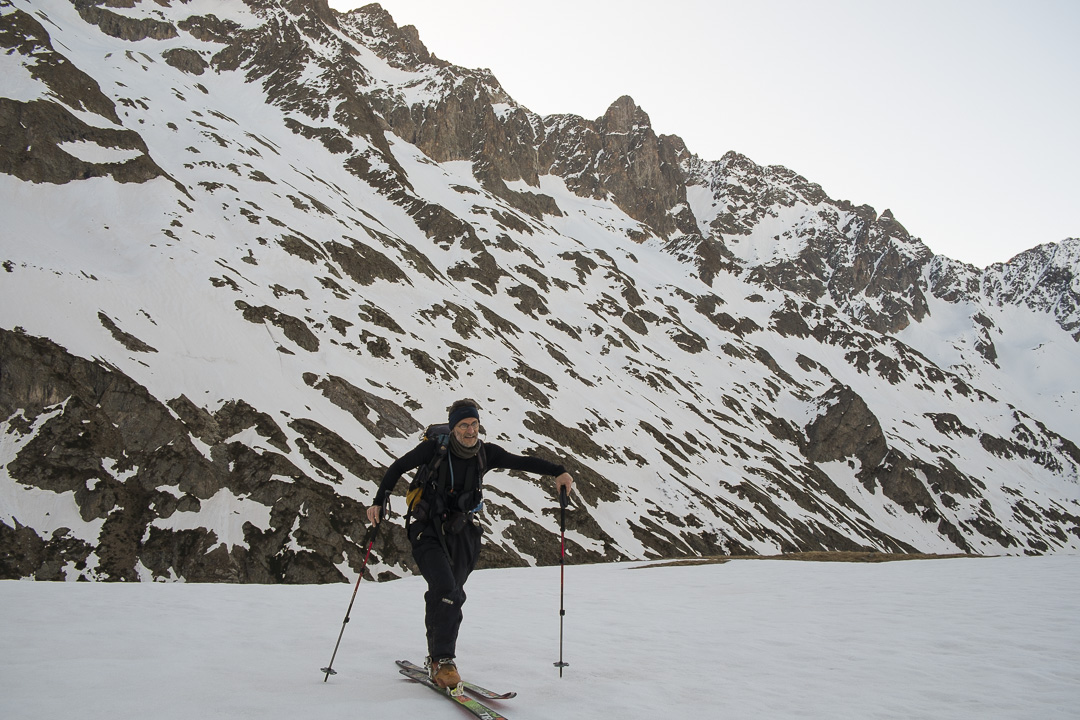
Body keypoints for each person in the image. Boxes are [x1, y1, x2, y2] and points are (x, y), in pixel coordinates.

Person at [366, 399, 574, 692]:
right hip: (426, 528)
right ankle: (444, 660)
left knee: (450, 593)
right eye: (464, 425)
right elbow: (398, 467)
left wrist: (559, 471)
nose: (470, 430)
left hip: (461, 531)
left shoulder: (485, 454)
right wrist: (378, 500)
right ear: (453, 428)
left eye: (474, 424)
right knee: (447, 589)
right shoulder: (434, 450)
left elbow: (522, 461)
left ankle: (435, 657)